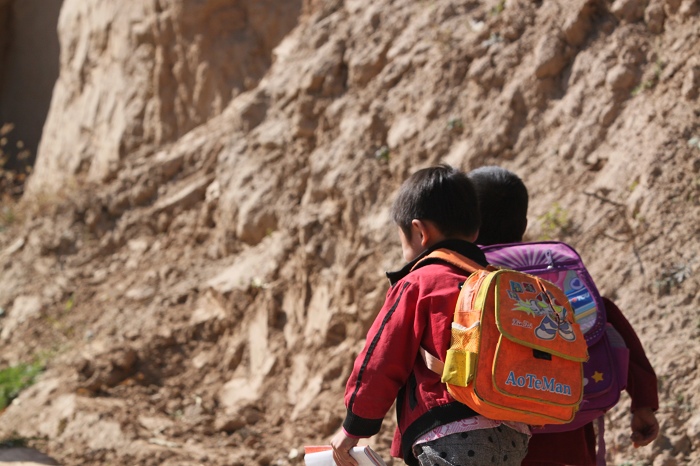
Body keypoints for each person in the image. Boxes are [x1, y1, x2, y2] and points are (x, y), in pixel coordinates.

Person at [331, 165, 530, 466]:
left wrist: (354, 426)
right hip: (514, 434)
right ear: (475, 231)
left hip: (452, 433)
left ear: (420, 232)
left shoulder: (421, 282)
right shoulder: (501, 284)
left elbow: (381, 360)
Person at [467, 165, 660, 466]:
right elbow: (606, 319)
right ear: (525, 222)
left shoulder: (467, 279)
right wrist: (643, 402)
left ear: (466, 225)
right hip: (566, 432)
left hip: (494, 437)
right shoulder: (551, 273)